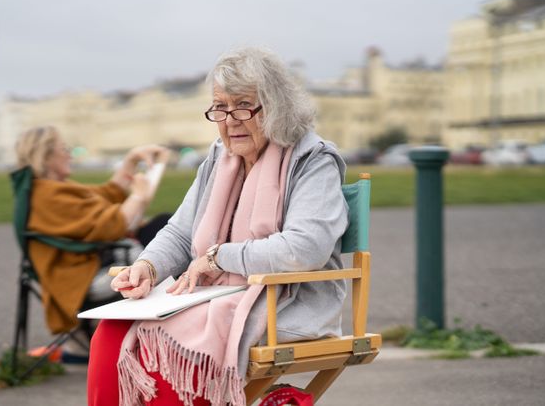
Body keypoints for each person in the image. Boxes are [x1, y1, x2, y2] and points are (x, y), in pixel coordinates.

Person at [87, 47, 349, 406]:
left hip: (283, 301)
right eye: (220, 107)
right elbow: (180, 233)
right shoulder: (219, 156)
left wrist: (218, 258)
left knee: (168, 346)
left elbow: (305, 248)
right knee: (109, 333)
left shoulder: (312, 159)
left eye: (243, 105)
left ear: (275, 107)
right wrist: (147, 267)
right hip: (214, 295)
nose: (230, 120)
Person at [13, 126, 171, 344]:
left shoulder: (51, 189)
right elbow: (113, 226)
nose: (69, 154)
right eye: (64, 148)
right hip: (84, 279)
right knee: (165, 235)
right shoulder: (48, 196)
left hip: (88, 265)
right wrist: (138, 196)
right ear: (46, 155)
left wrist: (131, 160)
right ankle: (172, 336)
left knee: (162, 229)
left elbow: (107, 194)